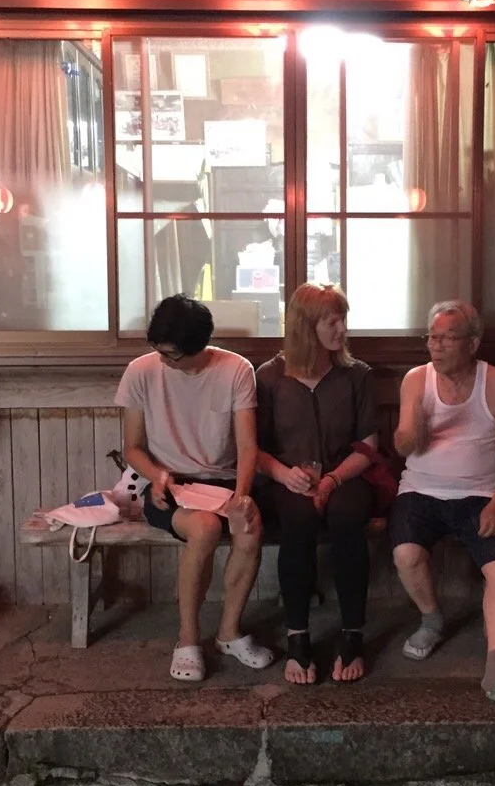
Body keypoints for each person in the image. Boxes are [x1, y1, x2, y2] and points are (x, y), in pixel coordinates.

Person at [390, 300, 495, 716]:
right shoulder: (416, 380)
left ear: (472, 343)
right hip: (421, 489)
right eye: (431, 337)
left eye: (447, 338)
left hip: (480, 493)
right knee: (406, 554)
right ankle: (431, 619)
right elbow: (402, 446)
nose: (435, 346)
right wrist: (414, 428)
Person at [116, 294, 274, 683]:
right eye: (158, 350)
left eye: (171, 355)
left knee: (249, 527)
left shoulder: (236, 369)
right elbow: (132, 447)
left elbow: (248, 447)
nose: (162, 360)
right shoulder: (141, 371)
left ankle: (229, 632)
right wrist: (157, 476)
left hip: (224, 480)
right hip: (169, 482)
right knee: (204, 528)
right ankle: (187, 638)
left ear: (199, 347)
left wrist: (242, 496)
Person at [254, 284, 379, 685]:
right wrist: (284, 474)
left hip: (346, 475)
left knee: (347, 517)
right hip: (285, 480)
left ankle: (352, 633)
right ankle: (298, 635)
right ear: (306, 326)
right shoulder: (269, 377)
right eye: (332, 322)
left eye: (344, 319)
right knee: (297, 519)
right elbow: (253, 449)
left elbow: (368, 447)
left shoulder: (356, 375)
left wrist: (331, 479)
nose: (342, 329)